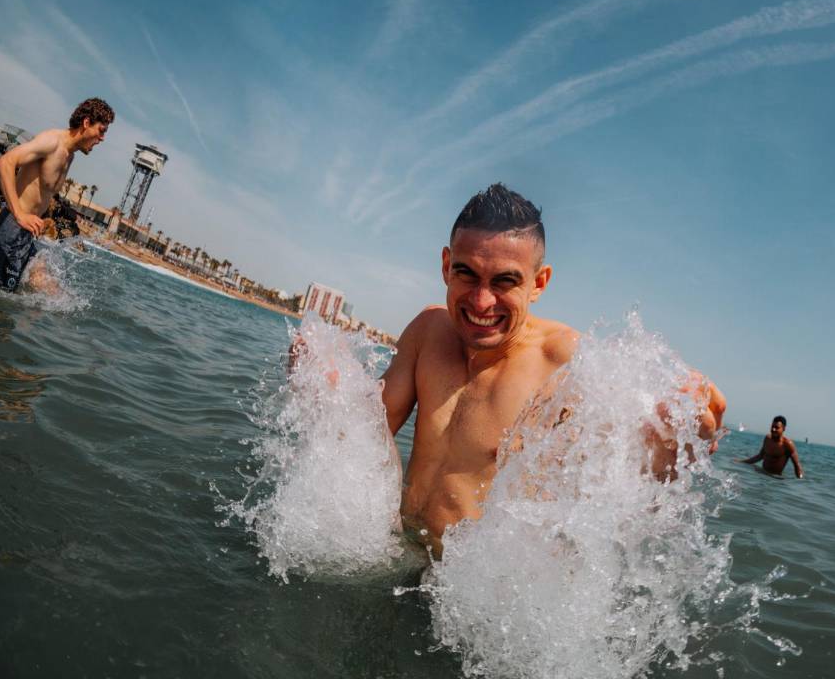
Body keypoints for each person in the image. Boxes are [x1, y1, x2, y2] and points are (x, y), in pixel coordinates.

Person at [300, 184, 726, 558]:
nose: (481, 303)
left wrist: (667, 450)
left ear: (538, 283)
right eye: (467, 274)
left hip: (466, 600)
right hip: (398, 554)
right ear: (447, 265)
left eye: (504, 282)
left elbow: (616, 495)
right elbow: (368, 433)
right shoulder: (428, 331)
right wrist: (329, 389)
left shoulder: (567, 363)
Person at [0, 98, 113, 291]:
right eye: (101, 130)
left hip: (27, 235)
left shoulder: (69, 155)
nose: (102, 138)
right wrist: (20, 215)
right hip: (11, 230)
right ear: (86, 123)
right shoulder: (52, 142)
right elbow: (5, 162)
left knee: (51, 292)